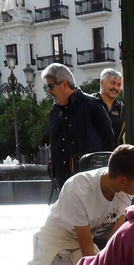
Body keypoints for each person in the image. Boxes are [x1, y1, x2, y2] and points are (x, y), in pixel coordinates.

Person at [28, 144, 134, 265]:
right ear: (123, 181)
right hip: (57, 240)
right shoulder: (78, 189)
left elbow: (114, 238)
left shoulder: (127, 189)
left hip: (84, 240)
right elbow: (87, 253)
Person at [44, 63, 116, 191]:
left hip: (90, 180)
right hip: (64, 181)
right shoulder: (55, 111)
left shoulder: (92, 105)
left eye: (50, 86)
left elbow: (109, 141)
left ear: (64, 84)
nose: (49, 91)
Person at [98, 68, 126, 144]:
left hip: (114, 154)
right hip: (93, 154)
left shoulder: (121, 108)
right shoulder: (90, 102)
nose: (116, 88)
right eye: (113, 83)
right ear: (102, 82)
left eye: (119, 85)